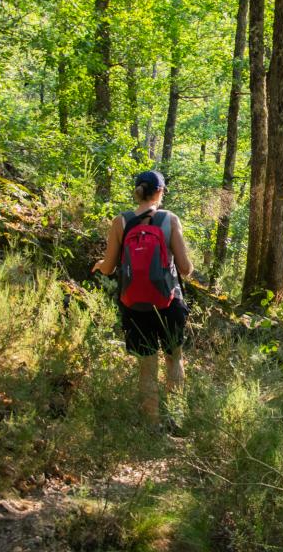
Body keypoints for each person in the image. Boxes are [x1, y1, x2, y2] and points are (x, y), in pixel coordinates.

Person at [92, 170, 194, 428]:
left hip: (134, 306)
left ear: (138, 191)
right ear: (159, 192)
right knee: (174, 358)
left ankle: (151, 425)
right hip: (168, 303)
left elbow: (110, 267)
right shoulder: (170, 220)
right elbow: (184, 268)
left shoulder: (121, 222)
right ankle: (176, 418)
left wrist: (99, 265)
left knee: (147, 366)